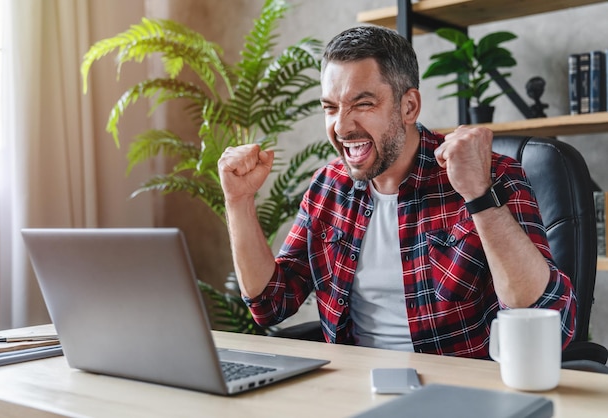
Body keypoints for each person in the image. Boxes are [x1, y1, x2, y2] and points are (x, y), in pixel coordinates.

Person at [217, 25, 576, 359]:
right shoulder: (329, 185)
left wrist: (478, 194)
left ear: (409, 106)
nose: (341, 126)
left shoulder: (490, 175)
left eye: (363, 104)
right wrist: (239, 201)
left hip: (462, 396)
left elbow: (549, 324)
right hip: (352, 391)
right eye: (330, 107)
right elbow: (271, 305)